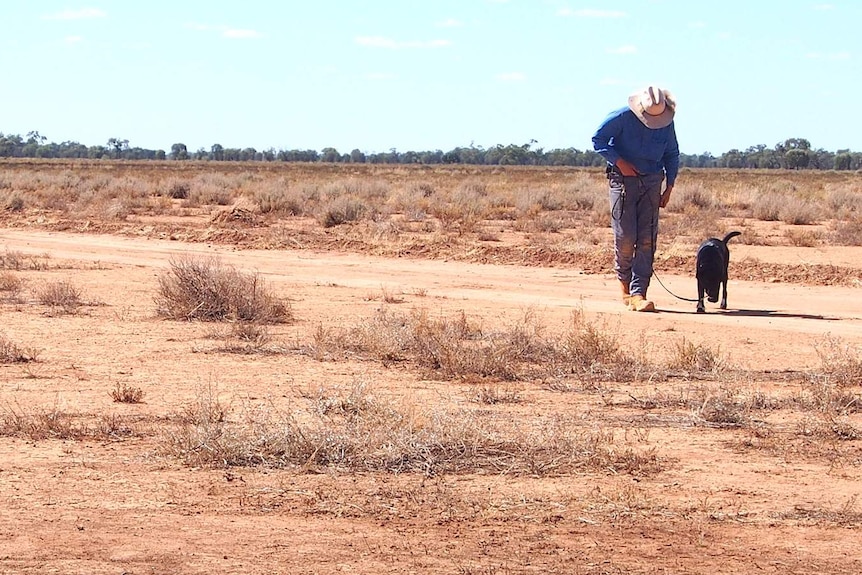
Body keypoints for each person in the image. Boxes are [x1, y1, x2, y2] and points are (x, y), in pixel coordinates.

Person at [592, 85, 679, 312]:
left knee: (647, 239)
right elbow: (598, 140)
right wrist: (620, 163)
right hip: (623, 182)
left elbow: (672, 153)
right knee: (626, 237)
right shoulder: (620, 117)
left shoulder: (666, 123)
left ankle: (639, 292)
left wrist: (669, 186)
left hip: (652, 182)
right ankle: (625, 290)